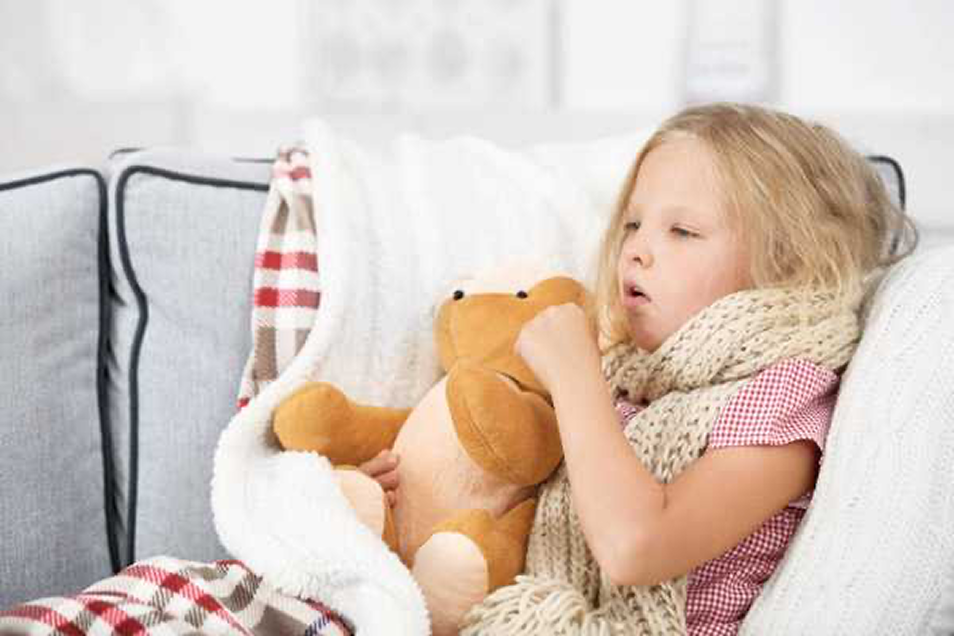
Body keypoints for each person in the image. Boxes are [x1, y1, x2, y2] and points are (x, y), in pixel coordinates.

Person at [449, 103, 917, 635]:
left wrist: (576, 379)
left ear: (787, 261)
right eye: (633, 224)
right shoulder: (633, 378)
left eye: (683, 231)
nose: (636, 250)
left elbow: (635, 547)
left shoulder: (784, 397)